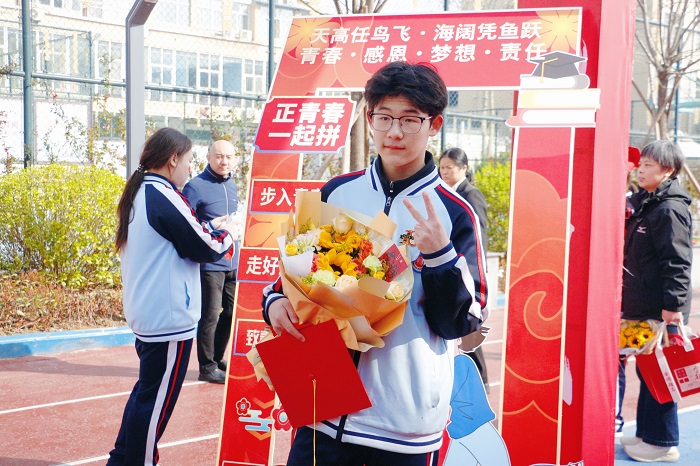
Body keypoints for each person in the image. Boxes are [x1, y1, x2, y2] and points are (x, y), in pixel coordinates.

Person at [262, 61, 488, 465]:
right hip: (322, 407)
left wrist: (440, 256)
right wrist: (275, 301)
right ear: (369, 119)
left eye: (410, 119)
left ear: (434, 125)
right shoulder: (337, 191)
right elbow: (296, 272)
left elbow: (462, 323)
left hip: (403, 422)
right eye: (384, 117)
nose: (394, 132)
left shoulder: (454, 213)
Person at [109, 128, 235, 465]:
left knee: (146, 395)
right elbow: (204, 247)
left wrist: (212, 230)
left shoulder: (142, 191)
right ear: (173, 159)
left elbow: (186, 236)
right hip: (168, 318)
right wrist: (227, 233)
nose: (190, 169)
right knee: (154, 405)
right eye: (189, 161)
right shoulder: (163, 194)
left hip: (151, 313)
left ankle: (122, 458)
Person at [620, 140, 692, 463]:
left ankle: (663, 442)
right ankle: (648, 434)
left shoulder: (669, 209)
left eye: (649, 165)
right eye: (642, 164)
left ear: (668, 171)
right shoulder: (650, 203)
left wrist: (673, 309)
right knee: (648, 372)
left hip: (659, 311)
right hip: (643, 308)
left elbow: (677, 262)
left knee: (660, 374)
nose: (641, 170)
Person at [183, 139, 241, 384]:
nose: (224, 161)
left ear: (235, 159)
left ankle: (217, 358)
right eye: (218, 156)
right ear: (208, 157)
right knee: (210, 315)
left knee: (231, 312)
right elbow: (186, 224)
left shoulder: (233, 185)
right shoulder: (195, 187)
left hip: (233, 262)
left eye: (228, 157)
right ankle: (206, 366)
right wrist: (210, 226)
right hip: (210, 264)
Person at [439, 147, 490, 392]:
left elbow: (479, 238)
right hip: (448, 269)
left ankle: (481, 383)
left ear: (464, 169)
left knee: (469, 329)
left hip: (467, 272)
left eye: (450, 167)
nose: (445, 172)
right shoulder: (441, 194)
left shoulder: (471, 195)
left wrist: (475, 274)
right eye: (442, 167)